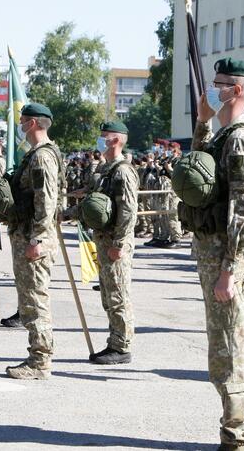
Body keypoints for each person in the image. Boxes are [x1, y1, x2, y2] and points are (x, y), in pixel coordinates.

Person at [190, 58, 244, 450]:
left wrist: (229, 270)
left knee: (228, 352)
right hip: (219, 256)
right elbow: (198, 170)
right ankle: (234, 432)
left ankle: (235, 438)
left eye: (218, 85)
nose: (211, 90)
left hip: (227, 259)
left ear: (236, 91)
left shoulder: (240, 139)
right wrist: (203, 121)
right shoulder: (225, 135)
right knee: (225, 347)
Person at [1, 103, 62, 379]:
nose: (20, 126)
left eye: (23, 121)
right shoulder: (35, 155)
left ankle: (40, 362)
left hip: (35, 238)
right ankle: (37, 355)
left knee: (36, 300)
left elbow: (46, 201)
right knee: (30, 300)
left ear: (35, 123)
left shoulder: (42, 157)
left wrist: (37, 238)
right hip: (27, 234)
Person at [88, 120, 139, 365]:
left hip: (115, 244)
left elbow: (128, 210)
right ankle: (114, 341)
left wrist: (119, 243)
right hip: (105, 240)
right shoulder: (107, 169)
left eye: (104, 136)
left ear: (116, 140)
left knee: (118, 295)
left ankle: (122, 346)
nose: (100, 140)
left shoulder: (122, 171)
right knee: (108, 296)